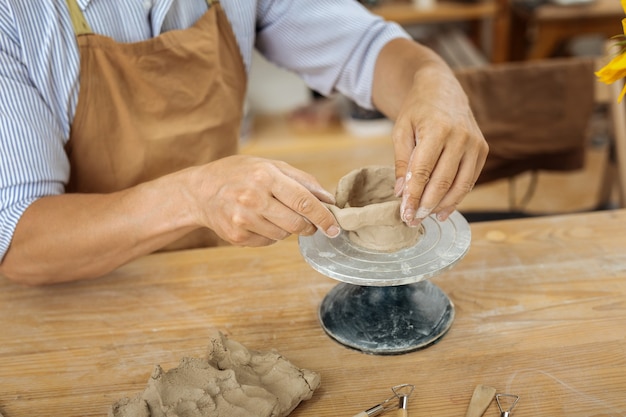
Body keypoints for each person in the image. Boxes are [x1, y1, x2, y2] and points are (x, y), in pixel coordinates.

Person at [0, 0, 488, 286]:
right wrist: (191, 196)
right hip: (84, 288)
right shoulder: (16, 18)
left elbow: (364, 48)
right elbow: (17, 237)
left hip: (216, 260)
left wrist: (431, 79)